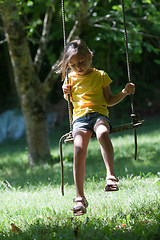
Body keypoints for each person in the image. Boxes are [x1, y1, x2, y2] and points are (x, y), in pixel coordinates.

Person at [59, 38, 135, 216]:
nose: (78, 67)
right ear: (68, 65)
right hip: (80, 120)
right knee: (79, 148)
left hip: (99, 115)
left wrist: (124, 92)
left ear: (89, 57)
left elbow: (109, 101)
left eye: (81, 62)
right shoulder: (69, 78)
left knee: (102, 133)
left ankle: (111, 176)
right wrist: (65, 93)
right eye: (72, 64)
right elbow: (69, 99)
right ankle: (79, 197)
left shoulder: (101, 76)